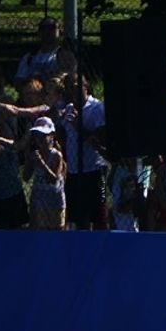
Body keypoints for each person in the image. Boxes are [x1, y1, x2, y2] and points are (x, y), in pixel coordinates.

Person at [56, 73, 108, 230]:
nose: (73, 92)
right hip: (73, 171)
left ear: (86, 86)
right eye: (69, 88)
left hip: (94, 170)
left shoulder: (97, 108)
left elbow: (101, 139)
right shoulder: (69, 109)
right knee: (79, 218)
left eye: (76, 87)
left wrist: (78, 126)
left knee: (98, 217)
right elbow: (63, 137)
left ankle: (102, 243)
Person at [24, 117, 67, 230]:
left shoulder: (56, 155)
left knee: (56, 231)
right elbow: (26, 177)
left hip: (55, 201)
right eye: (37, 135)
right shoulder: (35, 154)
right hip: (39, 201)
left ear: (51, 135)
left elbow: (54, 179)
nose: (39, 139)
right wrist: (29, 161)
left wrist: (41, 163)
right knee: (39, 231)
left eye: (43, 135)